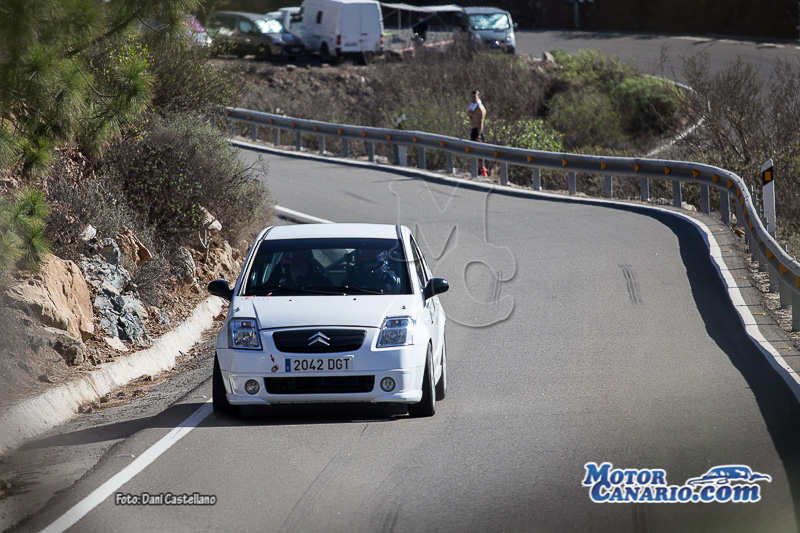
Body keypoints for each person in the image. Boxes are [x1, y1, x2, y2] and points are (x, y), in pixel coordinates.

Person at [468, 90, 488, 176]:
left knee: (479, 151)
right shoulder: (472, 106)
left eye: (475, 97)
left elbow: (480, 122)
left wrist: (479, 134)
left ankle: (482, 170)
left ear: (478, 97)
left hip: (478, 131)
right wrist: (470, 113)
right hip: (473, 130)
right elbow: (471, 117)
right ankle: (477, 170)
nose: (473, 98)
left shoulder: (480, 108)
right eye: (472, 97)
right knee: (473, 151)